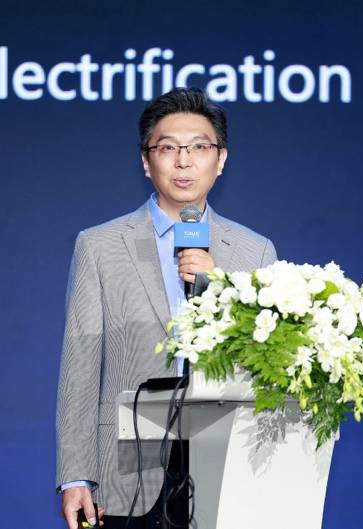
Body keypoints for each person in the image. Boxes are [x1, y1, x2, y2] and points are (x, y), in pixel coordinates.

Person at [55, 87, 277, 529]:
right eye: (168, 148)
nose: (183, 161)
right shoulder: (100, 246)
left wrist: (220, 287)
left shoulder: (254, 251)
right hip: (126, 470)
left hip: (224, 464)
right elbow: (80, 366)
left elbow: (265, 363)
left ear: (221, 159)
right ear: (146, 160)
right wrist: (76, 475)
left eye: (199, 147)